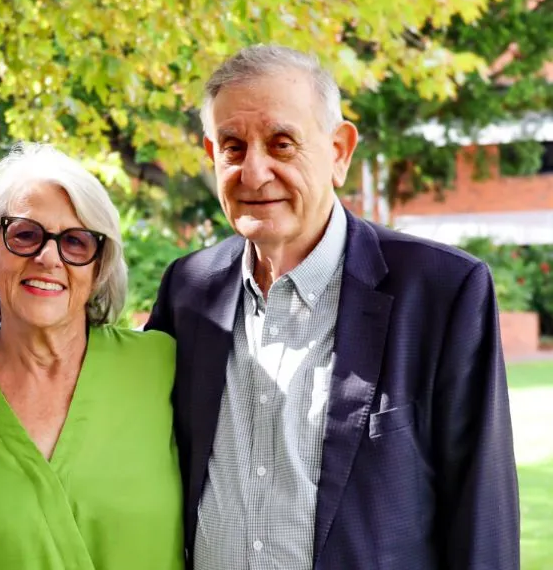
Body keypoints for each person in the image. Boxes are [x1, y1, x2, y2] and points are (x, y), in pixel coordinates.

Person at [146, 45, 519, 570]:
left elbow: (482, 518)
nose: (254, 173)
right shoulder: (189, 290)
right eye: (233, 147)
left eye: (282, 144)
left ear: (340, 151)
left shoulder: (443, 292)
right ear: (212, 155)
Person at [0, 143, 184, 570]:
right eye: (24, 235)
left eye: (76, 243)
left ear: (98, 268)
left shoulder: (161, 368)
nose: (48, 258)